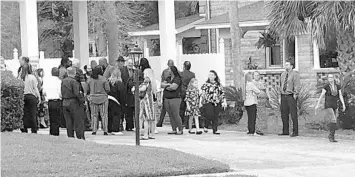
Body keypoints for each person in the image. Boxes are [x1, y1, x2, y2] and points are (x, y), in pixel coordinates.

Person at [315, 74, 346, 142]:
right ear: (328, 79)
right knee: (333, 119)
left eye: (331, 77)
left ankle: (332, 136)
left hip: (335, 104)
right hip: (328, 104)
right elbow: (322, 95)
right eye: (329, 77)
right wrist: (317, 104)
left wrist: (343, 104)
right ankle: (331, 136)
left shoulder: (337, 86)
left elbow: (340, 95)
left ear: (333, 78)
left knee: (334, 120)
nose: (330, 79)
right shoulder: (326, 86)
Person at [61, 67, 85, 140]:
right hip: (73, 102)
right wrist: (82, 100)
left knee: (68, 121)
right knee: (77, 120)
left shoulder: (63, 81)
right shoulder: (74, 82)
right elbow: (76, 93)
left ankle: (70, 136)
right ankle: (79, 136)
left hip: (65, 102)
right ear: (74, 73)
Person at [200, 70, 227, 135]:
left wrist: (224, 101)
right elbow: (203, 93)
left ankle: (215, 129)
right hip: (208, 101)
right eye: (209, 75)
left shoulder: (218, 85)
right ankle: (206, 125)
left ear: (215, 76)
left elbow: (222, 93)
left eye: (212, 75)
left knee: (215, 116)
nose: (210, 76)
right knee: (210, 114)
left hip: (217, 101)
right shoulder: (206, 84)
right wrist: (201, 100)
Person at [279, 60, 300, 137]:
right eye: (285, 65)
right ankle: (285, 130)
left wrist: (295, 94)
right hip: (283, 95)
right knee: (284, 113)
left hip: (291, 95)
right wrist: (280, 94)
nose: (285, 66)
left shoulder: (295, 74)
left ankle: (295, 131)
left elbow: (297, 85)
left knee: (293, 114)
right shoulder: (283, 74)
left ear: (291, 66)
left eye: (287, 65)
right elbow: (281, 85)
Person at [161, 66, 184, 135]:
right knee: (170, 114)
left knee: (176, 114)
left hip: (175, 98)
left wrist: (166, 86)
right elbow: (162, 84)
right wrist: (168, 85)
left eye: (169, 69)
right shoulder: (168, 78)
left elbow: (173, 87)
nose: (168, 70)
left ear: (172, 70)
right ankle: (174, 129)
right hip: (167, 98)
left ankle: (180, 129)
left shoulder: (177, 78)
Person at [88, 66, 110, 135]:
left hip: (93, 98)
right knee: (104, 115)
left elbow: (87, 89)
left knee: (94, 115)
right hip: (103, 98)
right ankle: (105, 130)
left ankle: (94, 130)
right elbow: (108, 89)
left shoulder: (90, 79)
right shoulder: (103, 79)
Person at [20, 64, 41, 134]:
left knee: (24, 113)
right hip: (31, 96)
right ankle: (34, 128)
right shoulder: (32, 77)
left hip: (23, 96)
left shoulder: (21, 77)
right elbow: (35, 88)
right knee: (33, 113)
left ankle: (24, 128)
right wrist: (39, 97)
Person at [139, 58, 157, 134]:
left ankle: (143, 132)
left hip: (146, 97)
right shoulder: (151, 70)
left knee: (145, 115)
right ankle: (152, 131)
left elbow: (143, 88)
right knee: (152, 115)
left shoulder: (145, 73)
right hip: (152, 93)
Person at [43, 67, 62, 136]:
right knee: (56, 118)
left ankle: (51, 132)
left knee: (51, 117)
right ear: (58, 73)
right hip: (57, 101)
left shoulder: (47, 81)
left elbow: (44, 92)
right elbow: (60, 92)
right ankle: (56, 132)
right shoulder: (59, 81)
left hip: (50, 101)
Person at [107, 69, 126, 135]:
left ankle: (109, 128)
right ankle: (115, 129)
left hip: (109, 100)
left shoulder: (108, 82)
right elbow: (122, 94)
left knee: (110, 115)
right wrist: (123, 103)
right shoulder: (119, 83)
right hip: (117, 101)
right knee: (116, 115)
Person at [157, 59, 174, 127]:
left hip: (167, 91)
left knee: (164, 108)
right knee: (170, 109)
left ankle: (160, 122)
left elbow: (162, 82)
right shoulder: (176, 71)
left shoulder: (165, 71)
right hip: (172, 91)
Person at [180, 61, 196, 129]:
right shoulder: (192, 74)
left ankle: (182, 123)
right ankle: (188, 124)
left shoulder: (181, 74)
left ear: (184, 66)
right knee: (190, 109)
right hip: (190, 92)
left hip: (182, 92)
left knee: (182, 108)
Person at [253, 71, 268, 135]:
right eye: (255, 75)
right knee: (256, 115)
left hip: (262, 101)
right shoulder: (251, 83)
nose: (257, 76)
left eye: (258, 75)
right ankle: (255, 129)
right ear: (253, 76)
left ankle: (260, 129)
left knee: (261, 115)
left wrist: (268, 97)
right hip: (255, 101)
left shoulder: (262, 82)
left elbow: (266, 90)